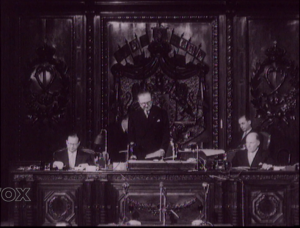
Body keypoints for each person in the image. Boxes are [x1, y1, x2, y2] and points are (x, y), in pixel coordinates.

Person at [128, 89, 170, 160]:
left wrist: (163, 149)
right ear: (139, 102)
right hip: (140, 155)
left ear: (152, 100)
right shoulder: (134, 116)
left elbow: (166, 134)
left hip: (157, 154)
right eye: (143, 103)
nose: (146, 105)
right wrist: (132, 153)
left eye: (148, 103)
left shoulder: (161, 113)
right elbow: (131, 136)